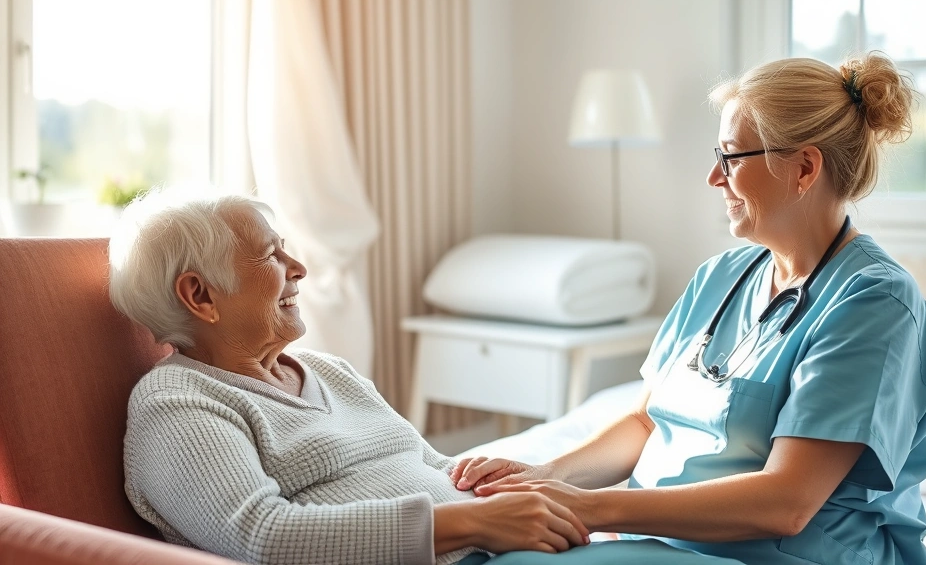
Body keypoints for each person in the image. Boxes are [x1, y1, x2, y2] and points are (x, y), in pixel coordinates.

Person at [452, 52, 926, 565]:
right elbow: (645, 422)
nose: (714, 177)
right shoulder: (721, 276)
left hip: (777, 555)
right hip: (654, 542)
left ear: (804, 168)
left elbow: (787, 503)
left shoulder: (874, 302)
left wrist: (588, 507)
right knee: (470, 547)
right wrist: (547, 476)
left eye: (732, 157)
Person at [111, 191, 592, 565]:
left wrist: (480, 481)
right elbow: (262, 538)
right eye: (269, 256)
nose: (298, 268)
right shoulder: (177, 404)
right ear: (200, 295)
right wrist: (473, 522)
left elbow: (424, 463)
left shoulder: (327, 370)